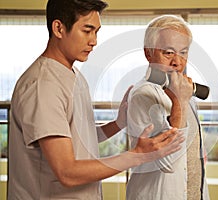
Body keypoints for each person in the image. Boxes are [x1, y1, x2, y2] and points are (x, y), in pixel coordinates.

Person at [8, 1, 185, 199]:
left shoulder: (74, 75)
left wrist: (118, 124)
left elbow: (77, 138)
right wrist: (137, 155)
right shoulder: (44, 85)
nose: (94, 41)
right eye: (87, 30)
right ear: (58, 28)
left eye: (96, 32)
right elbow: (67, 172)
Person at [126, 15, 210, 200]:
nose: (177, 62)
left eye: (183, 52)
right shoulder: (143, 95)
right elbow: (168, 162)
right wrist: (179, 102)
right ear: (149, 53)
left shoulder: (182, 90)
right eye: (168, 52)